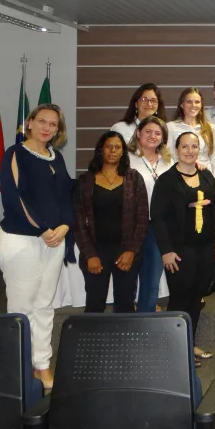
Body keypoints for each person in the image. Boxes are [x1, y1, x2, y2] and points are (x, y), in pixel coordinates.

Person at [0, 103, 74, 389]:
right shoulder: (15, 154)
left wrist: (65, 226)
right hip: (22, 241)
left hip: (53, 241)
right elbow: (15, 198)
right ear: (29, 123)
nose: (47, 127)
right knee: (21, 308)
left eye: (53, 124)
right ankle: (19, 367)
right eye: (42, 121)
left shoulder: (57, 158)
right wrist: (43, 229)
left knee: (44, 306)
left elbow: (67, 197)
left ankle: (42, 365)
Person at [151, 132, 215, 367]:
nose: (190, 151)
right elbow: (158, 218)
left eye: (194, 146)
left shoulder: (207, 176)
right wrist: (166, 250)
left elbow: (214, 210)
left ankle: (189, 344)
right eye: (185, 147)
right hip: (179, 249)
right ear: (176, 149)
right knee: (181, 298)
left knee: (197, 296)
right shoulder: (167, 180)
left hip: (204, 247)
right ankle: (176, 350)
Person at [73, 131, 149, 314]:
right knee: (95, 303)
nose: (113, 151)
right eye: (108, 146)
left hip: (126, 252)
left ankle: (123, 343)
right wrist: (89, 254)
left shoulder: (134, 179)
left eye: (117, 147)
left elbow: (142, 218)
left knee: (125, 304)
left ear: (123, 151)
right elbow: (78, 222)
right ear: (100, 150)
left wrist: (131, 251)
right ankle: (93, 343)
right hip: (95, 252)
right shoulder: (85, 181)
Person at [128, 116, 174, 312]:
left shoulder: (169, 161)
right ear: (138, 133)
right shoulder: (126, 158)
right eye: (148, 131)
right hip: (130, 226)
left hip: (158, 227)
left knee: (151, 279)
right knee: (127, 278)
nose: (152, 136)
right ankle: (124, 328)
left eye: (157, 133)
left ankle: (144, 326)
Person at [167, 87, 215, 178]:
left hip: (206, 178)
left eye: (197, 102)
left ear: (201, 105)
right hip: (180, 178)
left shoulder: (210, 128)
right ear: (181, 104)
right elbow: (169, 157)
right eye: (189, 102)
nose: (193, 105)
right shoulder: (170, 127)